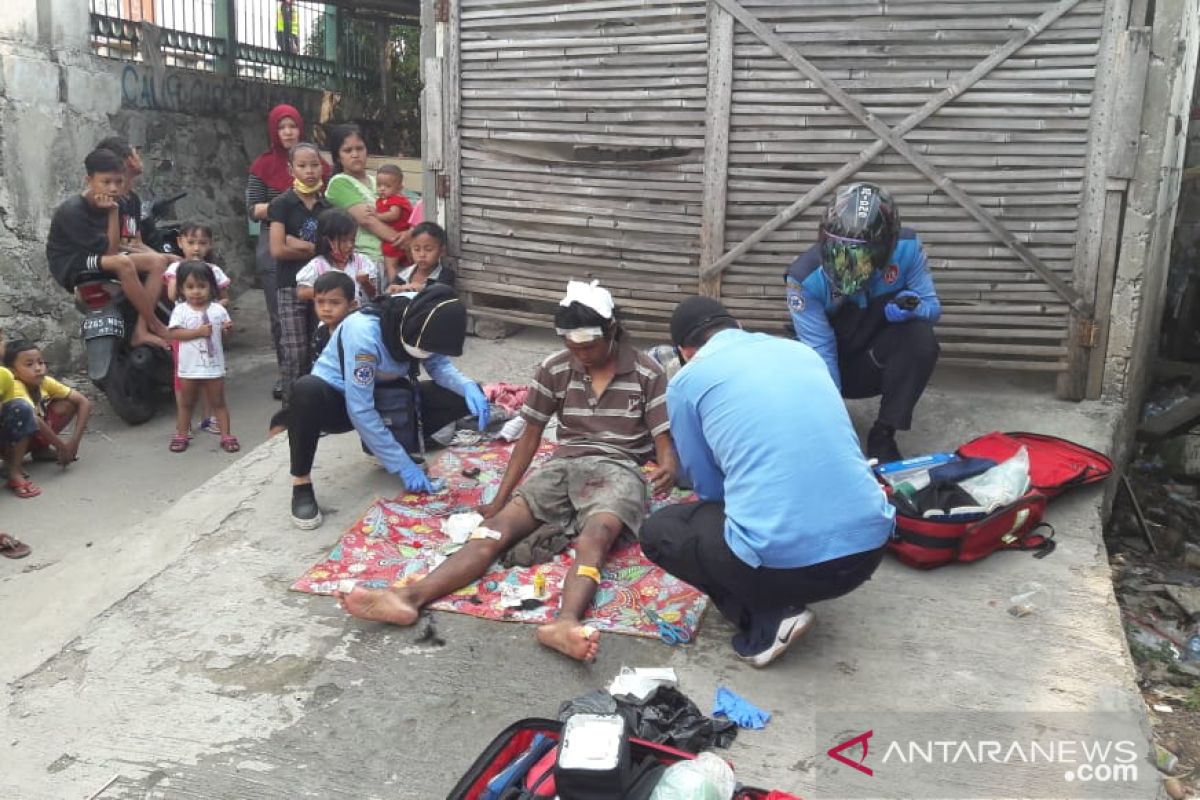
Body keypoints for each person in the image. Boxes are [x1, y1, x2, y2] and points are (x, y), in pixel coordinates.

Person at [338, 280, 676, 662]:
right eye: (573, 347)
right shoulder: (554, 367)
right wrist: (499, 500)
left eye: (589, 347)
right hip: (564, 463)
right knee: (493, 532)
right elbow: (530, 436)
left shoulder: (647, 373)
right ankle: (406, 597)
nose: (581, 355)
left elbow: (663, 440)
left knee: (594, 538)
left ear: (612, 330)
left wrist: (666, 466)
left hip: (619, 466)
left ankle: (564, 623)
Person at [641, 297, 894, 668]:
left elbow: (709, 488)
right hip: (870, 549)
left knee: (662, 530)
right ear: (738, 326)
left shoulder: (688, 381)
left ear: (684, 351)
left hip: (791, 568)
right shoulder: (802, 353)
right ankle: (786, 583)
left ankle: (768, 618)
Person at [287, 284, 490, 529]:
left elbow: (439, 366)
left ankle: (387, 447)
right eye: (424, 351)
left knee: (463, 395)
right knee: (305, 390)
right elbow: (359, 408)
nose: (427, 355)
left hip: (388, 396)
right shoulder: (364, 334)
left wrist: (466, 386)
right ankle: (301, 484)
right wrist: (402, 465)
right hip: (340, 401)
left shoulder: (428, 312)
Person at [785, 182, 941, 462]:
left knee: (921, 339)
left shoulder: (907, 249)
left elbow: (932, 309)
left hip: (874, 361)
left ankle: (883, 433)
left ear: (888, 247)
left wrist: (913, 307)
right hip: (833, 361)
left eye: (864, 257)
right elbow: (822, 352)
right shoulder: (803, 279)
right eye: (840, 253)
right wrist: (833, 429)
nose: (850, 268)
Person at [246, 104, 331, 400]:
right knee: (282, 319)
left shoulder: (321, 177)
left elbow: (327, 216)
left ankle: (315, 384)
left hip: (313, 251)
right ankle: (289, 379)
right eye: (281, 127)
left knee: (317, 325)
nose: (288, 132)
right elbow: (253, 209)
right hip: (277, 238)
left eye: (292, 126)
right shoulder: (263, 166)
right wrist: (288, 208)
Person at [46, 148, 170, 348]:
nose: (113, 188)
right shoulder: (72, 210)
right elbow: (111, 253)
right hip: (72, 262)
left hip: (100, 255)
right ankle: (156, 324)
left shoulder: (115, 202)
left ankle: (141, 329)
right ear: (89, 181)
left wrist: (113, 211)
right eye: (106, 182)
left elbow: (113, 246)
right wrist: (113, 212)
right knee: (122, 263)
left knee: (158, 261)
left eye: (118, 182)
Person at [268, 142, 332, 408]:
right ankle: (290, 410)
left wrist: (301, 244)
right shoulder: (282, 204)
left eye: (314, 165)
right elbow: (277, 249)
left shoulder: (327, 207)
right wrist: (312, 250)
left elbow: (329, 251)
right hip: (290, 287)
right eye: (302, 166)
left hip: (321, 288)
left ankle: (318, 408)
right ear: (290, 168)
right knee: (294, 351)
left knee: (320, 348)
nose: (309, 171)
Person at [268, 271, 358, 437]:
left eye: (334, 303)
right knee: (280, 420)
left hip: (352, 397)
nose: (326, 308)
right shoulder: (320, 333)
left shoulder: (356, 333)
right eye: (320, 302)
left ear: (352, 305)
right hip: (325, 393)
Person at [3, 340, 94, 498]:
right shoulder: (14, 385)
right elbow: (33, 419)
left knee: (68, 403)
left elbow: (83, 402)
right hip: (8, 440)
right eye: (29, 364)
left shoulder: (44, 382)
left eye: (40, 362)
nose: (38, 368)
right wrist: (61, 446)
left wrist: (74, 442)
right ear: (13, 371)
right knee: (24, 412)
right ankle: (12, 467)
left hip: (31, 434)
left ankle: (40, 450)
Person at [165, 262, 237, 454]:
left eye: (201, 286)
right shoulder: (180, 310)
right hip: (189, 368)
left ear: (211, 287)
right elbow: (174, 334)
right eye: (190, 287)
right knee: (186, 402)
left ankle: (226, 435)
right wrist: (198, 332)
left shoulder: (218, 310)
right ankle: (181, 434)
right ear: (181, 289)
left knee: (218, 401)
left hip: (213, 367)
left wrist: (228, 330)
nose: (196, 292)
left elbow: (226, 336)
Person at [325, 124, 409, 284]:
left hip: (393, 257)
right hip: (367, 260)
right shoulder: (339, 183)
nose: (355, 154)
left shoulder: (376, 181)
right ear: (337, 157)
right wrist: (403, 241)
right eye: (348, 150)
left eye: (360, 148)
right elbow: (368, 220)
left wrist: (410, 234)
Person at [295, 209, 381, 306]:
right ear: (328, 240)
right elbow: (301, 293)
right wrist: (331, 291)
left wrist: (366, 283)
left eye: (352, 240)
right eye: (344, 241)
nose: (349, 245)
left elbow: (374, 295)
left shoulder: (362, 262)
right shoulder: (318, 265)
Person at [387, 222, 457, 294]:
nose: (422, 255)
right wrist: (391, 291)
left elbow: (439, 294)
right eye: (416, 249)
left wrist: (421, 289)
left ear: (442, 251)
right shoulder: (403, 276)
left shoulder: (445, 275)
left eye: (428, 249)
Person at [374, 164, 414, 280]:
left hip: (395, 239)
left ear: (399, 187)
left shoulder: (396, 199)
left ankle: (394, 286)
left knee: (391, 266)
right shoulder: (383, 200)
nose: (382, 188)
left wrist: (377, 216)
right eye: (379, 185)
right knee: (407, 265)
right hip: (400, 239)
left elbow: (393, 215)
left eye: (387, 186)